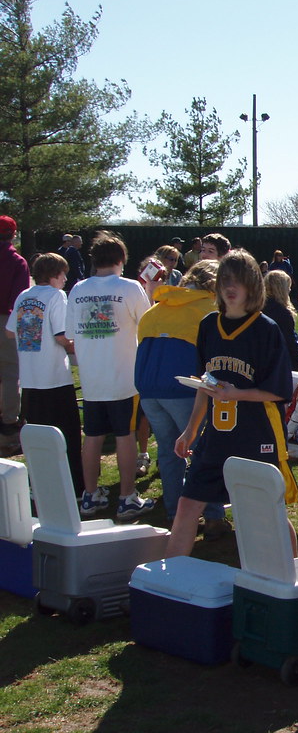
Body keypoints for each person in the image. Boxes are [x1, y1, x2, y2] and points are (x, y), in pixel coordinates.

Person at [167, 250, 297, 558]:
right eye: (225, 279)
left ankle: (293, 583)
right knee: (186, 508)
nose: (230, 286)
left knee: (269, 512)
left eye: (238, 280)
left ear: (253, 285)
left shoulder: (265, 328)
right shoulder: (209, 325)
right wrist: (190, 431)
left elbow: (278, 392)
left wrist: (235, 393)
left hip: (255, 436)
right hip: (216, 437)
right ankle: (168, 586)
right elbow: (206, 384)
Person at [65, 230, 155, 520]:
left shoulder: (78, 289)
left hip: (92, 377)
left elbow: (70, 334)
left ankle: (90, 495)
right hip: (123, 377)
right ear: (121, 259)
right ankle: (127, 496)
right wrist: (151, 290)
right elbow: (149, 323)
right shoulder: (129, 287)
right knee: (125, 434)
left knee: (91, 436)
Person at [134, 260, 228, 538]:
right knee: (203, 451)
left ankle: (175, 513)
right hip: (185, 388)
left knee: (167, 450)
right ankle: (212, 516)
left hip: (149, 389)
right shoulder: (208, 309)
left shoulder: (156, 309)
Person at [5, 253, 83, 493]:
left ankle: (39, 484)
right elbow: (62, 335)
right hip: (54, 378)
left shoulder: (23, 295)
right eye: (64, 275)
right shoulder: (56, 295)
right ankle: (74, 486)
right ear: (55, 275)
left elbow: (10, 332)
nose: (65, 280)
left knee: (38, 437)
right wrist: (79, 347)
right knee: (66, 436)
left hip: (30, 379)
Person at [0, 215, 29, 437]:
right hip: (6, 319)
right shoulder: (17, 262)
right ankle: (9, 418)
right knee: (11, 371)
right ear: (13, 234)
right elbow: (19, 300)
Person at [263, 269, 298, 373]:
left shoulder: (257, 308)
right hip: (281, 363)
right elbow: (290, 342)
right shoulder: (282, 313)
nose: (290, 290)